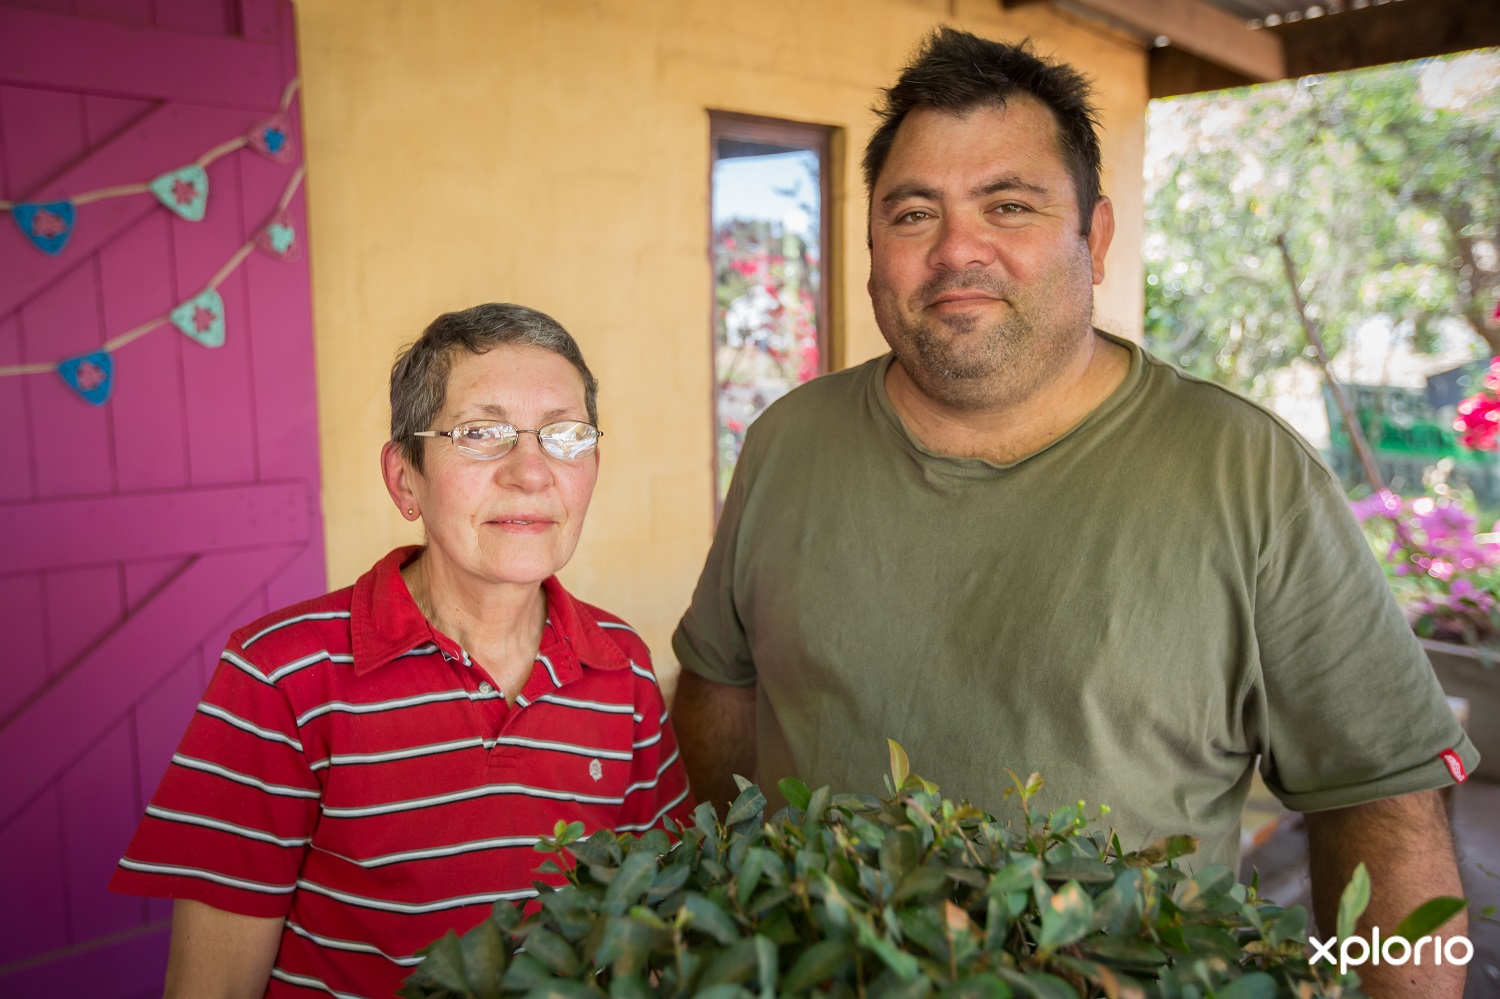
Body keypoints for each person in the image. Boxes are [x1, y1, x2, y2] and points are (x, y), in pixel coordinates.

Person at [672, 27, 1475, 998]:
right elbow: (719, 685)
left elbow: (1382, 802)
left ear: (1093, 238)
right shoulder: (785, 442)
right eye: (914, 213)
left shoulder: (1249, 474)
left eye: (1008, 205)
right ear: (873, 247)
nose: (956, 250)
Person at [111, 304, 693, 998]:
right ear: (404, 478)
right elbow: (214, 988)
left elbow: (658, 924)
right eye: (481, 432)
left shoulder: (621, 665)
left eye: (566, 435)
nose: (533, 473)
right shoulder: (281, 676)